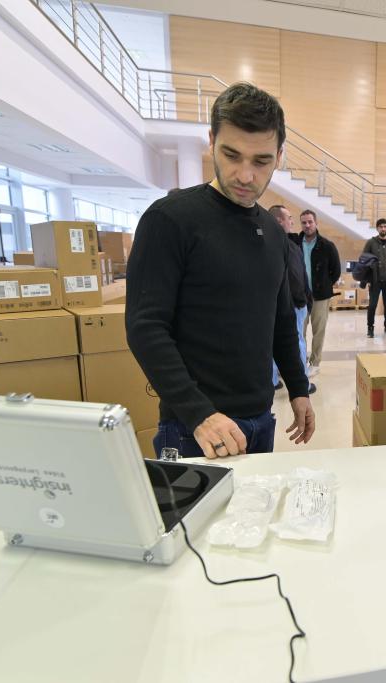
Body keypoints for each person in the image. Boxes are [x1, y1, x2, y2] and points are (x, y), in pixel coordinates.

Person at [126, 82, 315, 458]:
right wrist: (199, 414)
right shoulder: (171, 220)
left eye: (261, 161)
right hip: (193, 427)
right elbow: (145, 328)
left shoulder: (274, 235)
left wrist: (297, 389)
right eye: (231, 155)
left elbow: (280, 322)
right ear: (211, 141)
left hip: (261, 419)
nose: (245, 175)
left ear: (279, 156)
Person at [268, 204, 315, 394]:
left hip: (277, 304)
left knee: (271, 341)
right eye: (289, 218)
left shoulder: (271, 244)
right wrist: (303, 301)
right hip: (292, 304)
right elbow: (296, 278)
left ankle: (272, 380)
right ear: (279, 220)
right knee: (297, 342)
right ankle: (302, 383)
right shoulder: (286, 246)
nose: (292, 222)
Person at [289, 209, 340, 376]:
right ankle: (300, 361)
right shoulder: (294, 243)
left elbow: (336, 271)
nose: (307, 225)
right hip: (300, 297)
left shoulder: (327, 246)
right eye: (304, 222)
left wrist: (324, 285)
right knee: (299, 331)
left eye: (310, 222)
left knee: (319, 331)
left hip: (320, 297)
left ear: (316, 223)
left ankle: (315, 362)